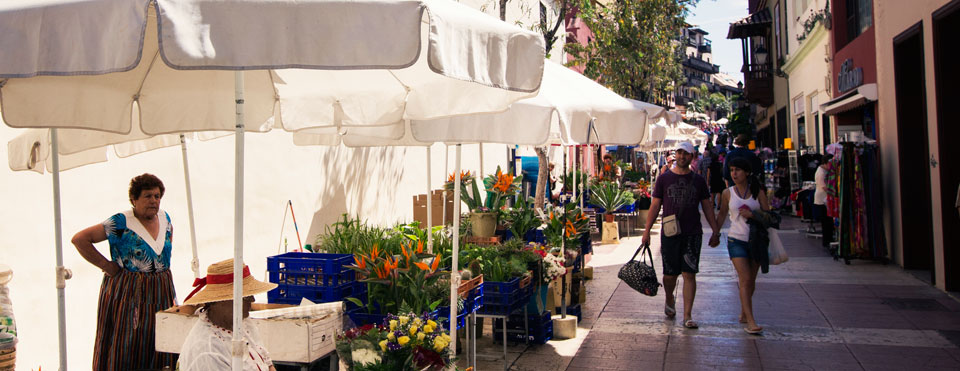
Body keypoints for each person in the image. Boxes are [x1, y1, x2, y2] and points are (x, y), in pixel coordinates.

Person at [71, 173, 177, 370]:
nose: (154, 201)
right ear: (134, 199)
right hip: (129, 292)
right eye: (147, 196)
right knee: (127, 343)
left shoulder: (165, 218)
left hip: (161, 290)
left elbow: (167, 244)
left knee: (161, 341)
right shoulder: (121, 222)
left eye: (157, 196)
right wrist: (106, 265)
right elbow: (80, 239)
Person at [642, 142, 720, 329]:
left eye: (686, 154)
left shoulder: (698, 181)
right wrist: (647, 231)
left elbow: (707, 206)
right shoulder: (664, 179)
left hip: (692, 233)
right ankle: (669, 297)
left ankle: (687, 315)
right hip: (670, 233)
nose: (682, 156)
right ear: (675, 155)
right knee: (670, 276)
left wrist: (715, 230)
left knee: (689, 274)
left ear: (692, 157)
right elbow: (655, 205)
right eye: (679, 153)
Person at [178, 259, 278, 371]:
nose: (252, 300)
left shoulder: (238, 320)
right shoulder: (208, 351)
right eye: (245, 296)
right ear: (219, 301)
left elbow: (266, 362)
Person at [715, 157, 770, 335]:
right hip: (736, 240)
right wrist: (715, 233)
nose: (734, 174)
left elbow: (768, 215)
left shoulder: (757, 191)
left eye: (737, 170)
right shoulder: (727, 193)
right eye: (732, 170)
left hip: (756, 240)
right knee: (745, 279)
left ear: (747, 172)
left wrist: (753, 215)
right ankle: (751, 321)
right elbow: (722, 214)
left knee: (751, 281)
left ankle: (744, 311)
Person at [814, 154, 834, 248]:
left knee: (828, 222)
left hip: (824, 199)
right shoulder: (821, 172)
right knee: (826, 222)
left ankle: (828, 239)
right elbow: (824, 187)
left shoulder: (824, 170)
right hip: (822, 200)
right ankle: (826, 241)